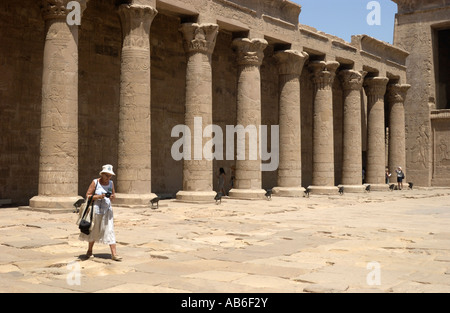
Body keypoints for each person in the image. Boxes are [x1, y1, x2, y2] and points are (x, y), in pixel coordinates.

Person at [79, 164, 122, 261]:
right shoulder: (95, 182)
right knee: (94, 230)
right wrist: (99, 196)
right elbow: (88, 195)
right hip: (96, 210)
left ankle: (114, 254)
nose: (109, 177)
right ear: (102, 174)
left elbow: (113, 195)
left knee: (110, 230)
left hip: (107, 210)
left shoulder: (111, 183)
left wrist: (111, 197)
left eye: (110, 175)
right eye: (107, 175)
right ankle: (89, 251)